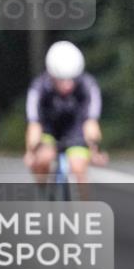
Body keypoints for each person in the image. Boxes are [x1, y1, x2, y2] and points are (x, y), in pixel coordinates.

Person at [24, 41, 105, 196]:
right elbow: (34, 124)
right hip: (47, 130)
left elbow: (91, 122)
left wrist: (94, 150)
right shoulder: (39, 87)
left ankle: (84, 212)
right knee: (42, 160)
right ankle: (40, 197)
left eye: (72, 79)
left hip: (75, 130)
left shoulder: (88, 85)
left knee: (79, 168)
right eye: (61, 80)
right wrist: (31, 152)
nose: (68, 85)